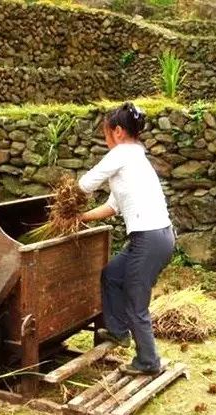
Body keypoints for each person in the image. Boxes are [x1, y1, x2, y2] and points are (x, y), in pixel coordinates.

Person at [77, 102, 175, 376]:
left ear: (118, 131)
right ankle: (118, 332)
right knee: (112, 275)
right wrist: (80, 218)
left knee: (135, 301)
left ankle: (148, 361)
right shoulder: (134, 159)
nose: (106, 139)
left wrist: (66, 198)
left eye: (106, 133)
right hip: (157, 237)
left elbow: (86, 184)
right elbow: (112, 207)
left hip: (149, 239)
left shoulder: (122, 154)